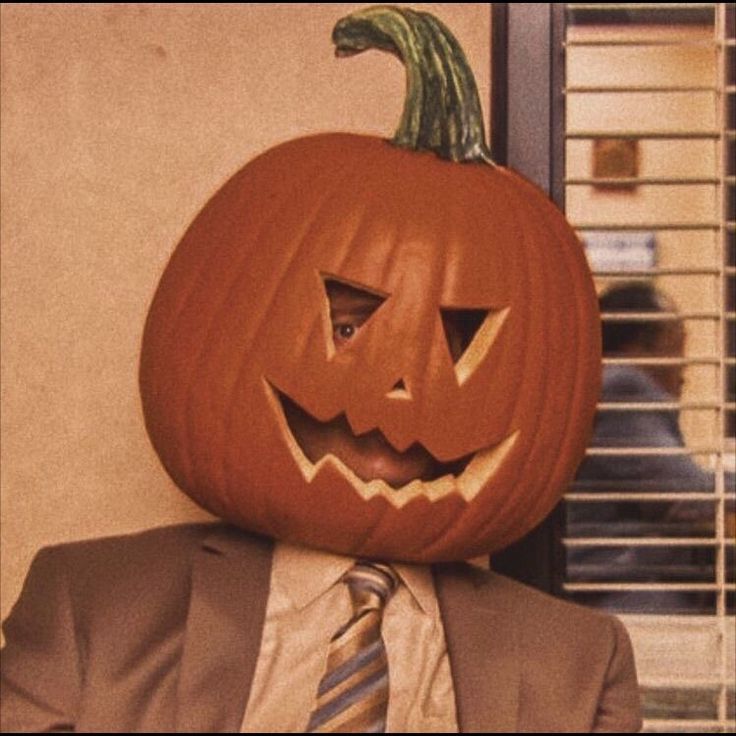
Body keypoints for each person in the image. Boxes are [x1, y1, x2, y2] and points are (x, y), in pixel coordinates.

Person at [1, 6, 642, 733]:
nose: (400, 384)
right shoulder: (87, 608)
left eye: (458, 344)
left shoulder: (582, 665)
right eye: (348, 325)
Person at [567, 282, 735, 613]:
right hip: (619, 593)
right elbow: (689, 500)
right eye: (677, 347)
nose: (684, 369)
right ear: (640, 346)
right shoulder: (621, 387)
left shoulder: (594, 388)